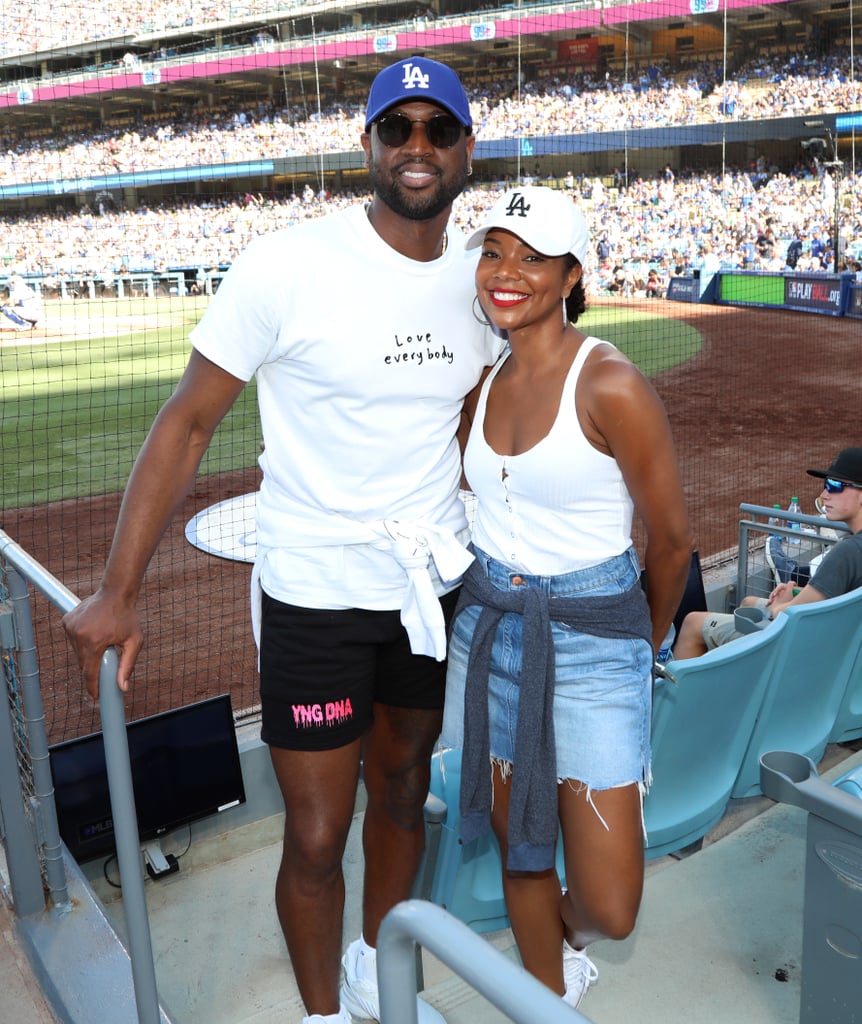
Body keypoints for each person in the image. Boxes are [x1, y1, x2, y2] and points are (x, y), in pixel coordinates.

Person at [62, 56, 504, 1024]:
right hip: (313, 589)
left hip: (428, 591)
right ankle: (321, 1016)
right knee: (314, 831)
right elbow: (185, 423)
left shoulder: (483, 278)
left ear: (467, 147)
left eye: (438, 130)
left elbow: (474, 419)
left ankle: (378, 975)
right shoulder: (286, 263)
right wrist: (118, 589)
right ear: (369, 147)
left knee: (399, 794)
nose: (418, 148)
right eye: (399, 130)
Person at [439, 186, 693, 1009]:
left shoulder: (610, 383)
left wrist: (636, 652)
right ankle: (543, 997)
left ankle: (565, 941)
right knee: (522, 851)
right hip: (492, 637)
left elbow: (672, 543)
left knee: (614, 907)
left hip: (591, 641)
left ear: (571, 272)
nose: (506, 273)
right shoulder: (479, 388)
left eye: (531, 256)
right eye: (494, 251)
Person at [674, 448, 862, 660]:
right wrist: (799, 592)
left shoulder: (847, 552)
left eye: (834, 486)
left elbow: (788, 614)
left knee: (693, 623)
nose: (823, 494)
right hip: (845, 642)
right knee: (748, 603)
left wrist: (782, 604)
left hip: (811, 649)